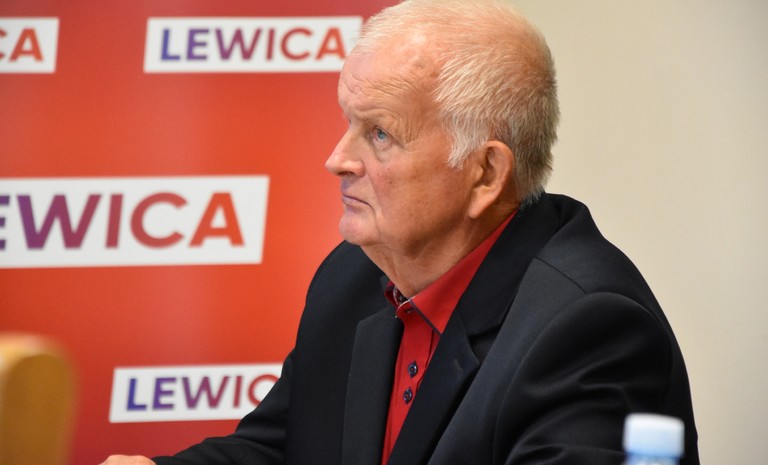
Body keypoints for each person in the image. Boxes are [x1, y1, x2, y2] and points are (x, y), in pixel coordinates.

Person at [101, 0, 699, 464]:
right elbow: (280, 450)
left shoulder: (588, 328)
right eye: (348, 123)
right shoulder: (354, 278)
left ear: (485, 173)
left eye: (380, 134)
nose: (337, 159)